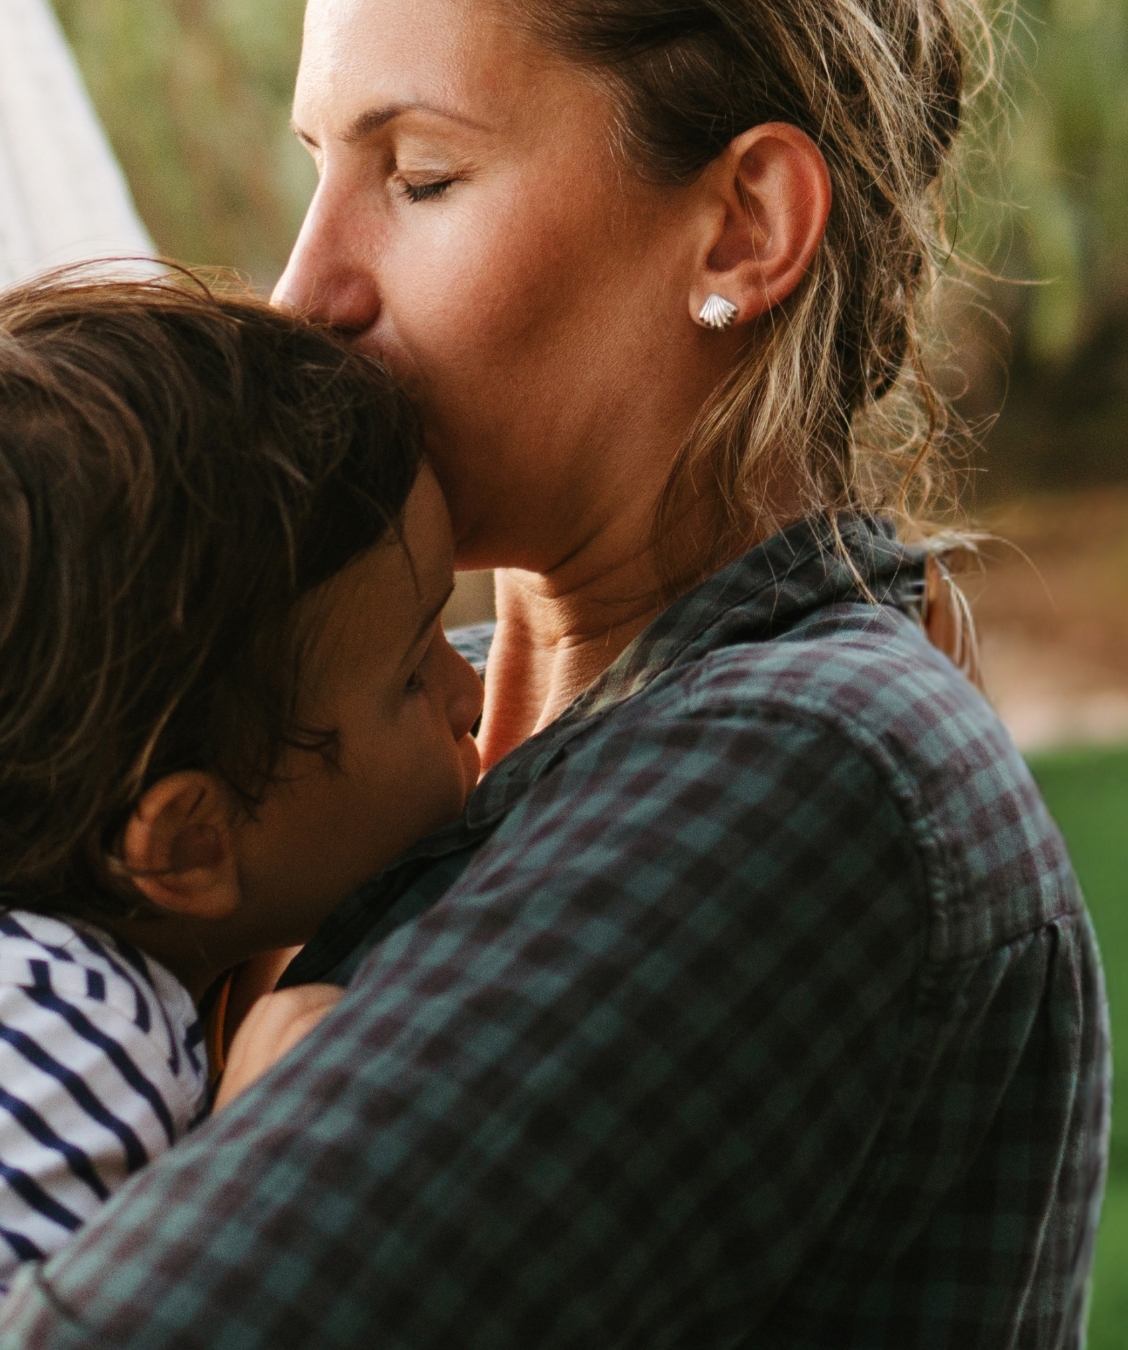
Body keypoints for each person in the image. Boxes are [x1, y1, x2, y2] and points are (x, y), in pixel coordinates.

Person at [0, 0, 1110, 1346]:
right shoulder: (339, 730)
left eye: (418, 177)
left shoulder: (803, 762)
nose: (304, 293)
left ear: (744, 224)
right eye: (317, 168)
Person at [0, 273, 482, 1290]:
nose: (471, 688)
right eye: (410, 672)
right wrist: (249, 1176)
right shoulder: (77, 1034)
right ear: (188, 845)